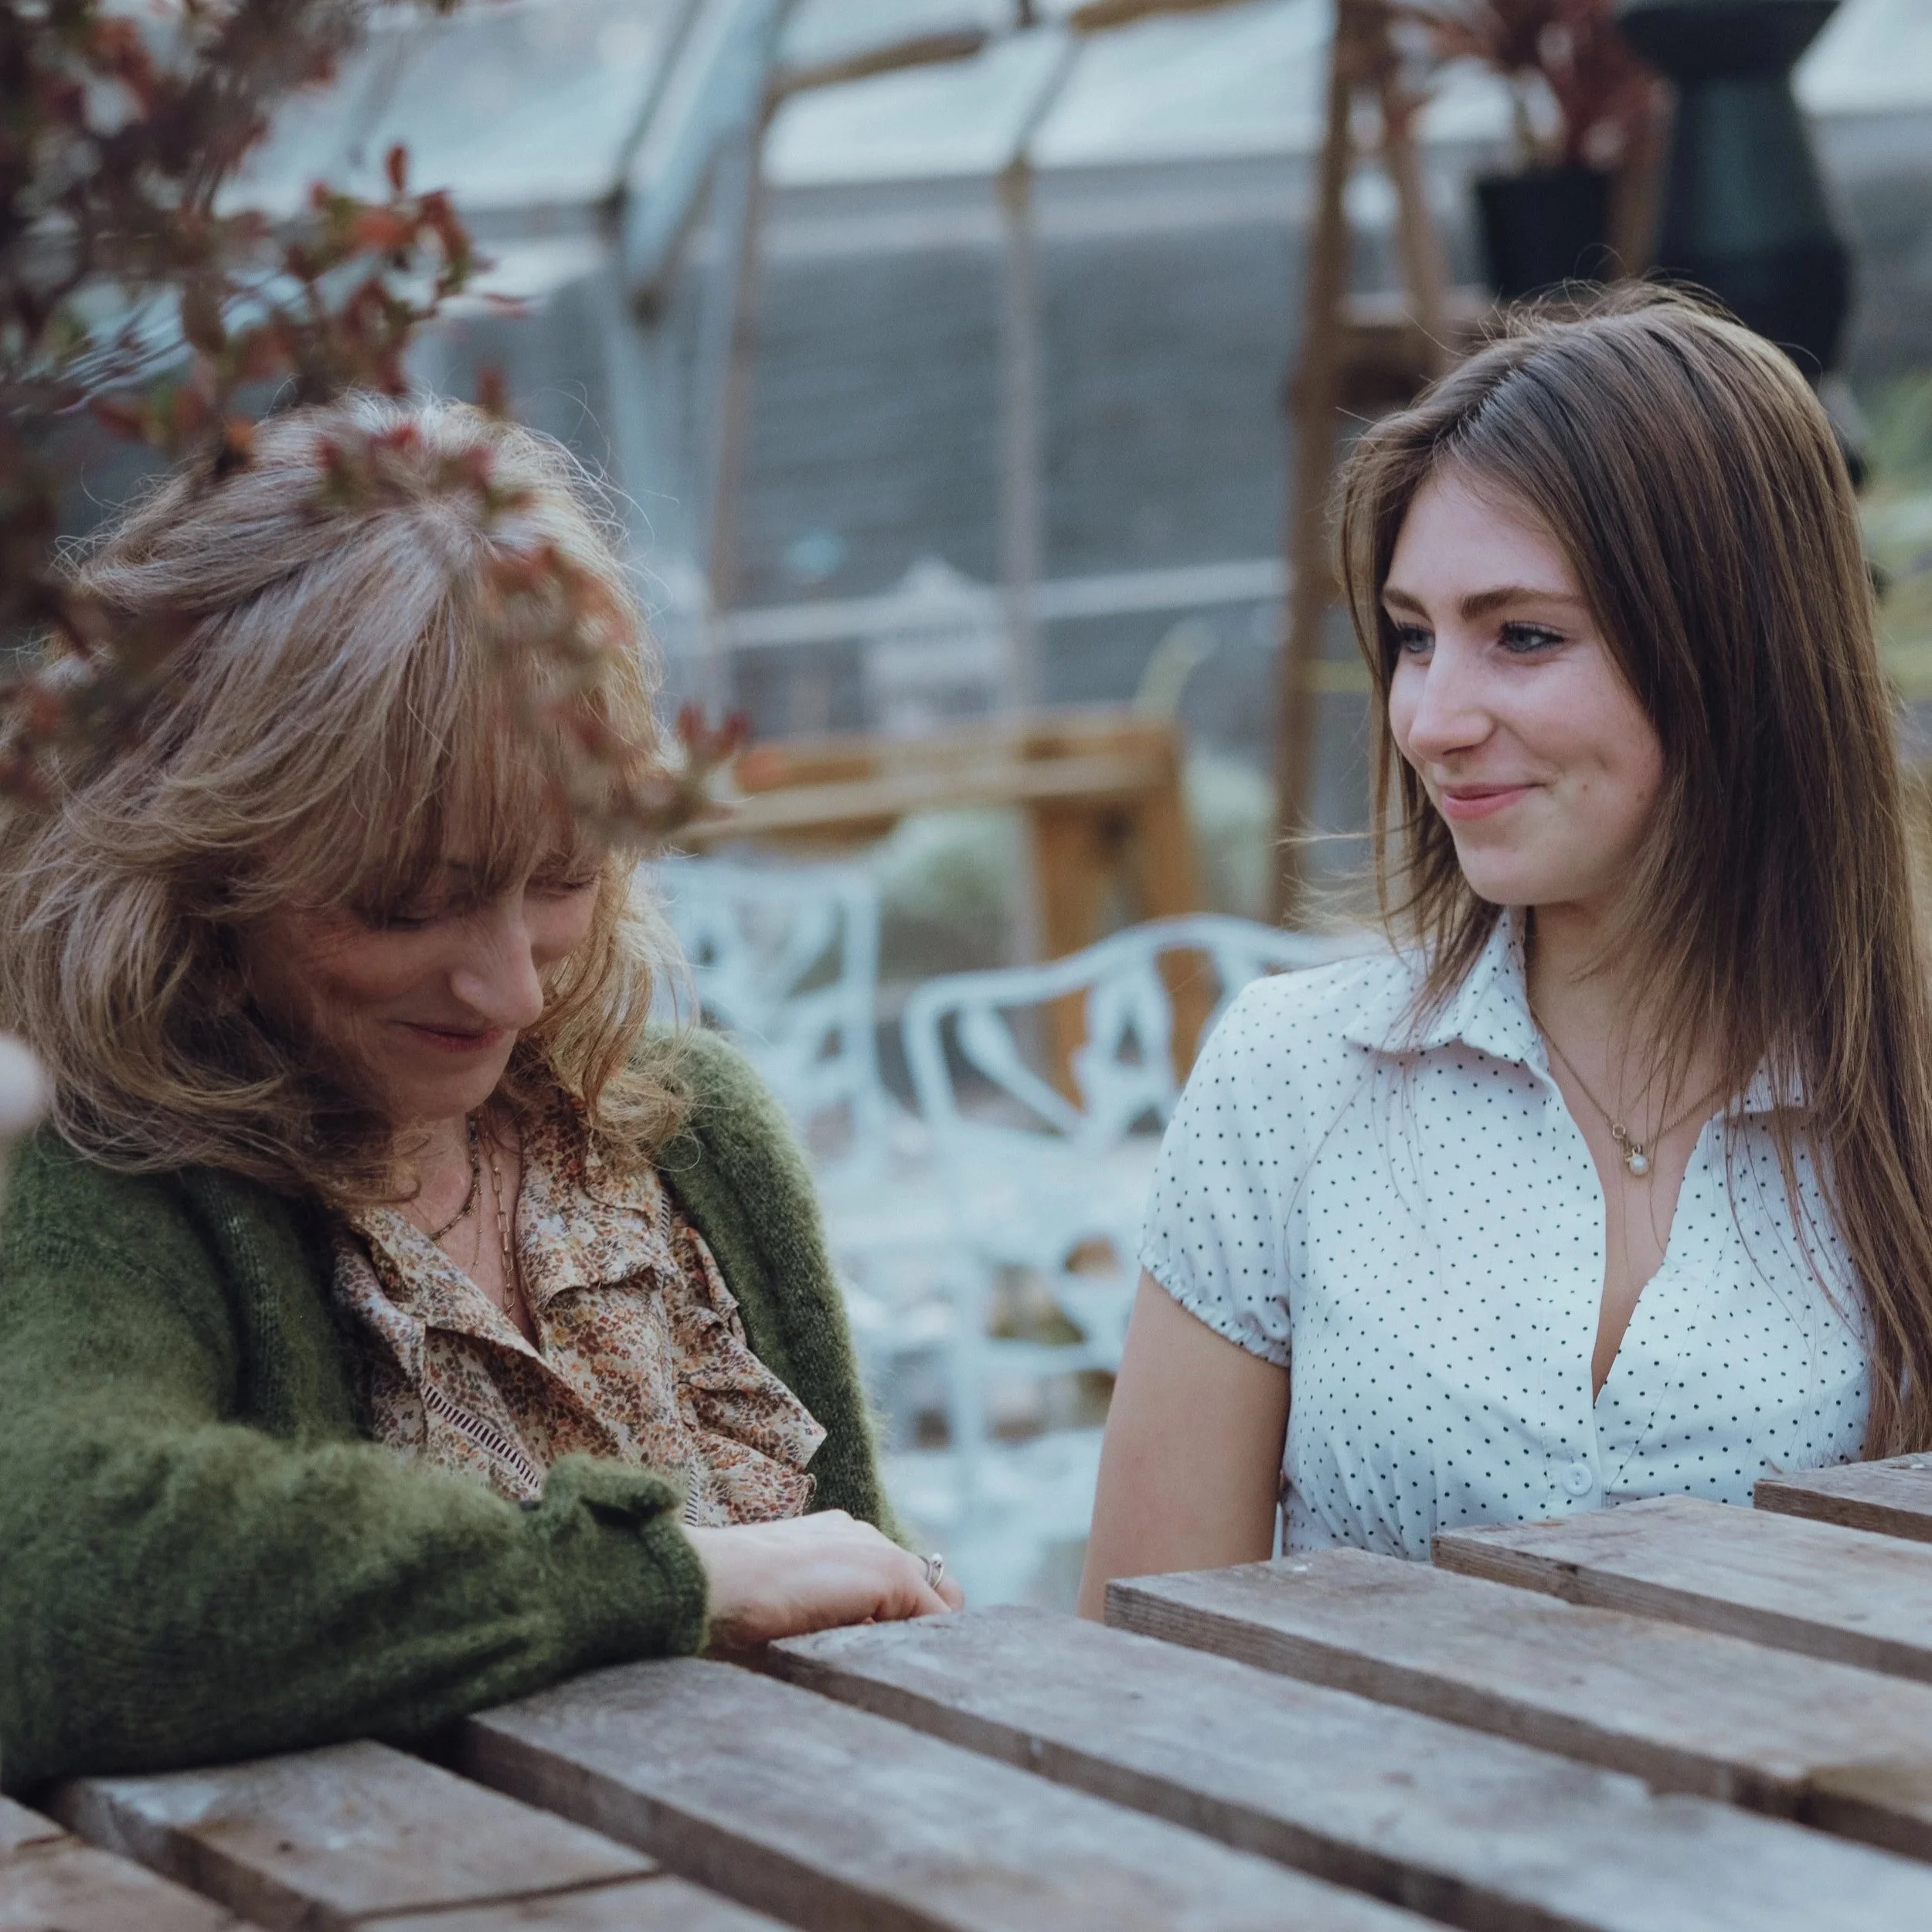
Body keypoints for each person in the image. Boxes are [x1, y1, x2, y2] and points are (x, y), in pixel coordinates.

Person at [0, 394, 958, 1795]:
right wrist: (667, 1583)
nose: (509, 990)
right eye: (409, 906)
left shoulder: (701, 1140)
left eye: (563, 878)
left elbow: (878, 1627)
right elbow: (59, 1588)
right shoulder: (111, 1183)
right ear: (199, 867)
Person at [1080, 287, 1932, 1611]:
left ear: (1738, 653)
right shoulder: (1296, 1077)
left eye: (1523, 636)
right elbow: (1135, 1672)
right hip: (1344, 1807)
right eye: (1414, 638)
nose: (1432, 717)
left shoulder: (1906, 1096)